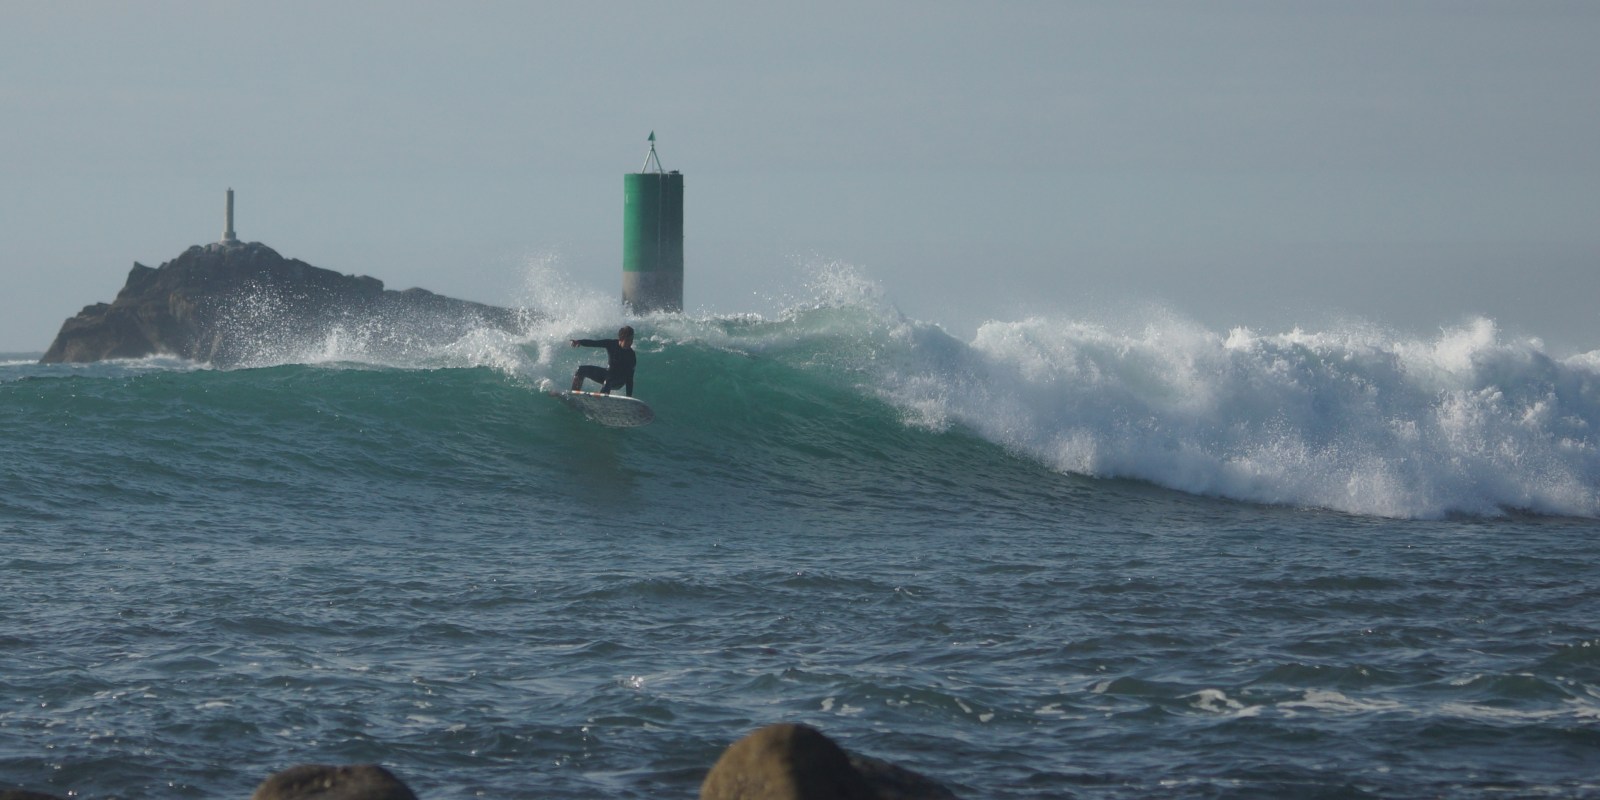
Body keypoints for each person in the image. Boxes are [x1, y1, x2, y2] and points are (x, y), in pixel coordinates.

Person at [570, 325, 637, 397]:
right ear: (621, 338)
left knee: (608, 381)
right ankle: (574, 395)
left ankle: (600, 403)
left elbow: (629, 379)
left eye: (631, 340)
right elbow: (594, 343)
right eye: (628, 340)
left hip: (619, 381)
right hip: (608, 374)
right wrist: (579, 342)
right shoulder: (612, 344)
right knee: (581, 370)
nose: (630, 343)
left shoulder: (631, 355)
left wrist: (628, 397)